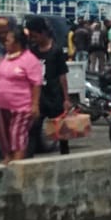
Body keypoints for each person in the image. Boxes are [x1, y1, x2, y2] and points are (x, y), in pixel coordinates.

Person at [0, 26, 41, 163]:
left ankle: (18, 163)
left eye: (9, 39)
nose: (5, 41)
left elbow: (36, 84)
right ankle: (7, 159)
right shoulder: (6, 58)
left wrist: (35, 105)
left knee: (17, 135)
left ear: (17, 42)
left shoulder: (30, 60)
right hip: (4, 105)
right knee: (5, 136)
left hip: (22, 106)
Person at [28, 16, 72, 155]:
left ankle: (65, 154)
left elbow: (62, 75)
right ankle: (30, 156)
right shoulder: (32, 51)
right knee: (34, 126)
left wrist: (66, 98)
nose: (33, 39)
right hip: (40, 95)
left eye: (35, 36)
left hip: (54, 94)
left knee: (60, 129)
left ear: (43, 33)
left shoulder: (56, 50)